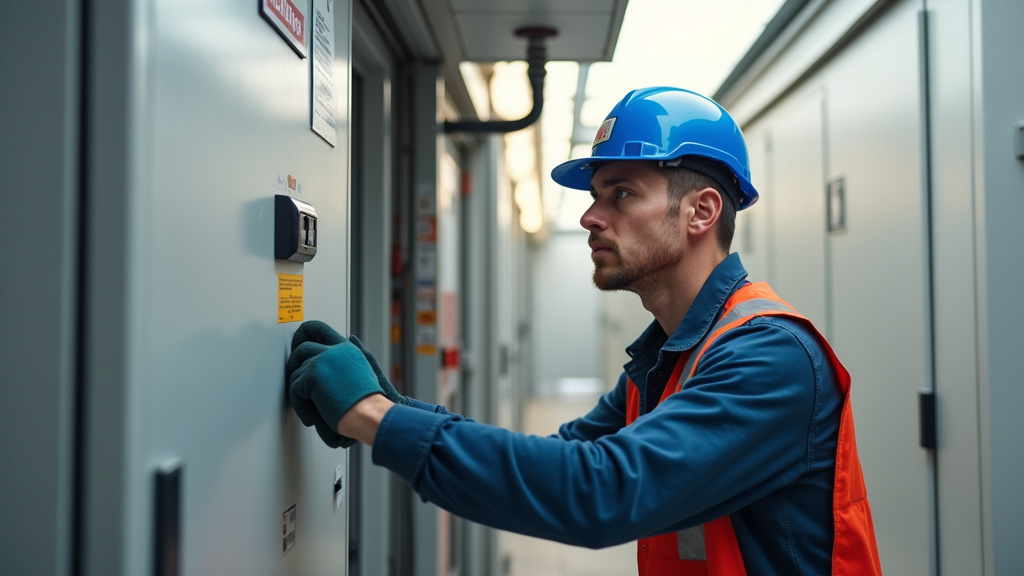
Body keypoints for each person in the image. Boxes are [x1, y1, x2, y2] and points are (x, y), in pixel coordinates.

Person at [287, 86, 883, 575]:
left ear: (701, 212)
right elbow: (563, 458)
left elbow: (600, 494)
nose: (589, 217)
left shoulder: (769, 357)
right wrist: (396, 406)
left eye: (621, 194)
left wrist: (371, 416)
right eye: (597, 195)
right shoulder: (668, 360)